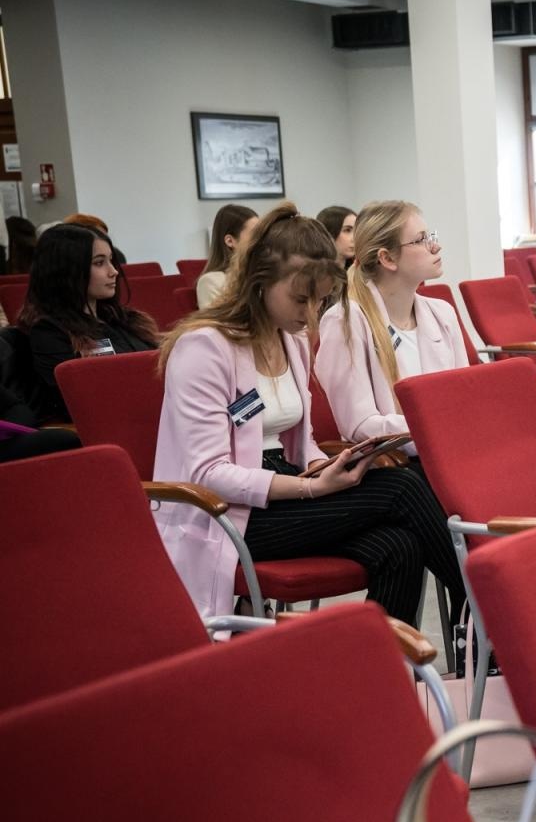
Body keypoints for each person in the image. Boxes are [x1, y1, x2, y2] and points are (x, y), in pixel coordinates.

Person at [154, 202, 465, 626]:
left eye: (319, 300)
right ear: (258, 282)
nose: (310, 314)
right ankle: (492, 612)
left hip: (285, 481)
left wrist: (324, 464)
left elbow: (300, 444)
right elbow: (209, 473)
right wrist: (313, 489)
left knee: (401, 546)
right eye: (301, 299)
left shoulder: (293, 340)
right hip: (226, 512)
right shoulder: (204, 348)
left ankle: (383, 679)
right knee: (401, 488)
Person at [314, 200, 469, 447]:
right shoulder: (346, 319)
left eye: (431, 236)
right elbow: (359, 425)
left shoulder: (443, 313)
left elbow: (465, 397)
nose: (436, 246)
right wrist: (438, 424)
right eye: (420, 240)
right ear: (387, 258)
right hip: (393, 464)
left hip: (449, 448)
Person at [16, 223, 159, 422]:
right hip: (117, 422)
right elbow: (82, 401)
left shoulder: (125, 320)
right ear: (67, 270)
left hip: (153, 411)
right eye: (99, 263)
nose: (114, 271)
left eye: (111, 261)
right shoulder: (50, 332)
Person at [195, 204, 260, 308]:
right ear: (230, 241)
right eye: (255, 235)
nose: (262, 240)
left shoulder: (261, 273)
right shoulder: (210, 282)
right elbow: (217, 323)